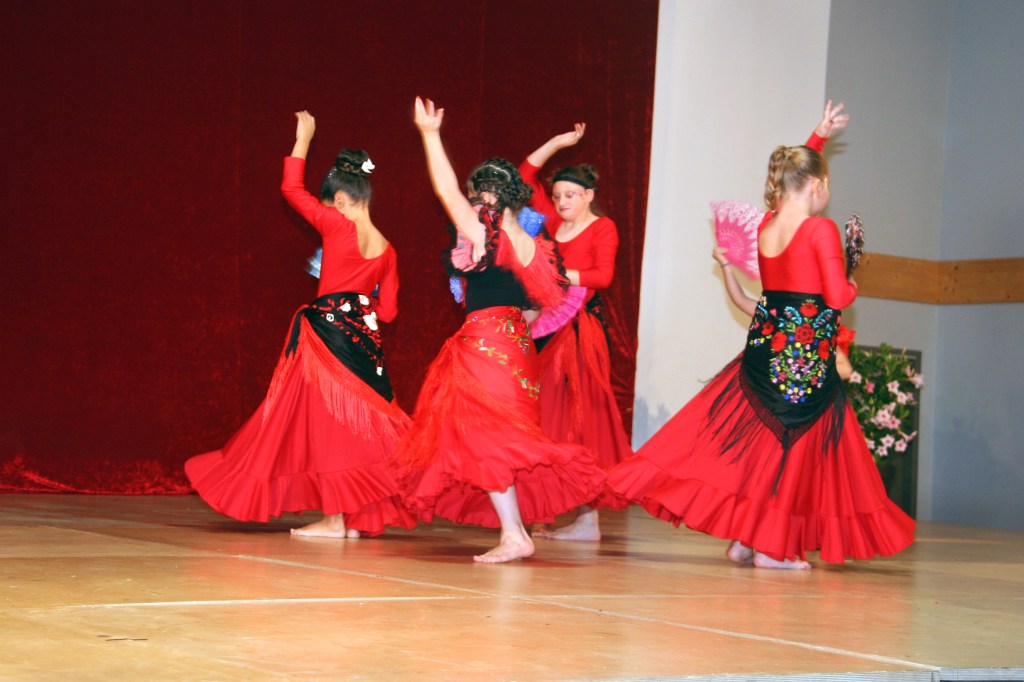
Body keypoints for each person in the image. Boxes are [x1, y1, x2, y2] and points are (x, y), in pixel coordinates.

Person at [607, 101, 915, 568]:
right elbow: (836, 297)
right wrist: (854, 278)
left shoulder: (768, 227)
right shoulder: (820, 230)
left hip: (766, 351)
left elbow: (793, 182)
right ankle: (772, 549)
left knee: (768, 446)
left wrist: (818, 136)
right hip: (803, 359)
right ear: (819, 186)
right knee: (793, 448)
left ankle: (747, 540)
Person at [394, 97, 606, 563]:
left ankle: (515, 535)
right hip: (517, 346)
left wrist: (430, 136)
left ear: (488, 196)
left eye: (476, 195)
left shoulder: (483, 233)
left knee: (488, 436)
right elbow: (536, 308)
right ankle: (515, 532)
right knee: (494, 436)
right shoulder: (534, 244)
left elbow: (445, 190)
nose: (471, 203)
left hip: (486, 343)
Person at [185, 111, 414, 538]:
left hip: (328, 337)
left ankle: (334, 519)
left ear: (340, 201)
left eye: (328, 204)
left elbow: (291, 188)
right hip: (364, 343)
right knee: (352, 424)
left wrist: (303, 139)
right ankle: (346, 516)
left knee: (326, 424)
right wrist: (358, 303)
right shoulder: (388, 250)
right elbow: (389, 312)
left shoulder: (338, 226)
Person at [517, 125, 633, 541]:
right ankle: (544, 507)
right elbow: (525, 174)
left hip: (581, 331)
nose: (563, 202)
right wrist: (557, 143)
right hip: (545, 327)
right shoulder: (552, 222)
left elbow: (603, 276)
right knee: (545, 415)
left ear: (588, 196)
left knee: (580, 417)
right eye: (558, 196)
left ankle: (588, 517)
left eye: (571, 195)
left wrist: (560, 273)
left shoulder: (603, 227)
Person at [712, 245, 853, 380]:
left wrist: (805, 371)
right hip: (770, 390)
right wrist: (725, 264)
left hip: (799, 392)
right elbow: (740, 299)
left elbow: (845, 369)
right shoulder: (780, 312)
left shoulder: (820, 323)